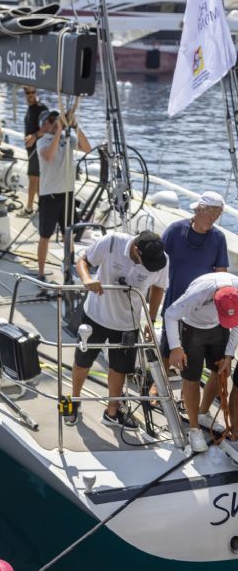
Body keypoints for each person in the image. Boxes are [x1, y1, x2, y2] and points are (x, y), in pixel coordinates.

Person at [68, 230, 169, 427]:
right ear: (136, 250)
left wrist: (151, 319)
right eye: (145, 262)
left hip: (127, 323)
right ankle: (74, 400)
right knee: (82, 361)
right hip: (96, 315)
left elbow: (158, 288)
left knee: (120, 368)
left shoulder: (162, 260)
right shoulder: (112, 241)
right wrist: (87, 279)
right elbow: (83, 261)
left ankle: (112, 413)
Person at [154, 191, 229, 428]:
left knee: (205, 357)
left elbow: (222, 275)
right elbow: (156, 262)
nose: (213, 219)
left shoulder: (218, 238)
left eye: (217, 214)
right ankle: (158, 385)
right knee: (168, 346)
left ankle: (197, 402)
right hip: (176, 297)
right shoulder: (176, 231)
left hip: (205, 304)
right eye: (210, 213)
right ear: (197, 211)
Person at [164, 272, 238, 452]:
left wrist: (228, 355)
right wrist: (175, 347)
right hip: (193, 329)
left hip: (219, 329)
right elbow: (170, 314)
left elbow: (236, 325)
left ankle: (203, 413)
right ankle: (194, 429)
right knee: (192, 378)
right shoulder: (198, 293)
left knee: (220, 372)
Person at [36, 109, 90, 281]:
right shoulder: (42, 141)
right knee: (45, 236)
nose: (54, 122)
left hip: (66, 194)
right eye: (51, 120)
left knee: (69, 234)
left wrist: (75, 126)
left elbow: (87, 149)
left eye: (55, 119)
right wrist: (59, 130)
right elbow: (49, 156)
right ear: (44, 126)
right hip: (49, 195)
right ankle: (41, 272)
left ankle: (69, 267)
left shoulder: (68, 139)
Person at [18, 85, 48, 217]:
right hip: (31, 149)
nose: (30, 94)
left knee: (33, 179)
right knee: (37, 179)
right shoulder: (30, 108)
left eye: (32, 92)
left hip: (38, 148)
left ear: (36, 92)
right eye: (27, 92)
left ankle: (29, 209)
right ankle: (42, 207)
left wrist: (34, 137)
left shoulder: (41, 108)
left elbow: (48, 127)